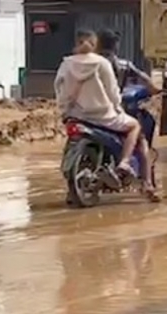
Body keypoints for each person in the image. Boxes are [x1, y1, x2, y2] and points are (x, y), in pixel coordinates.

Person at [55, 29, 141, 174]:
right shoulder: (102, 63)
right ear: (95, 44)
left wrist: (65, 109)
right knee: (134, 126)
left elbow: (59, 88)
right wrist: (118, 108)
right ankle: (125, 162)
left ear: (76, 43)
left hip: (75, 116)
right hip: (102, 117)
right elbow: (113, 93)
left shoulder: (66, 64)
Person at [97, 29, 161, 200]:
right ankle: (147, 184)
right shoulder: (123, 65)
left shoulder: (89, 63)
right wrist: (156, 89)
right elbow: (145, 79)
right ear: (116, 46)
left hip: (88, 113)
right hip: (114, 112)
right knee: (141, 142)